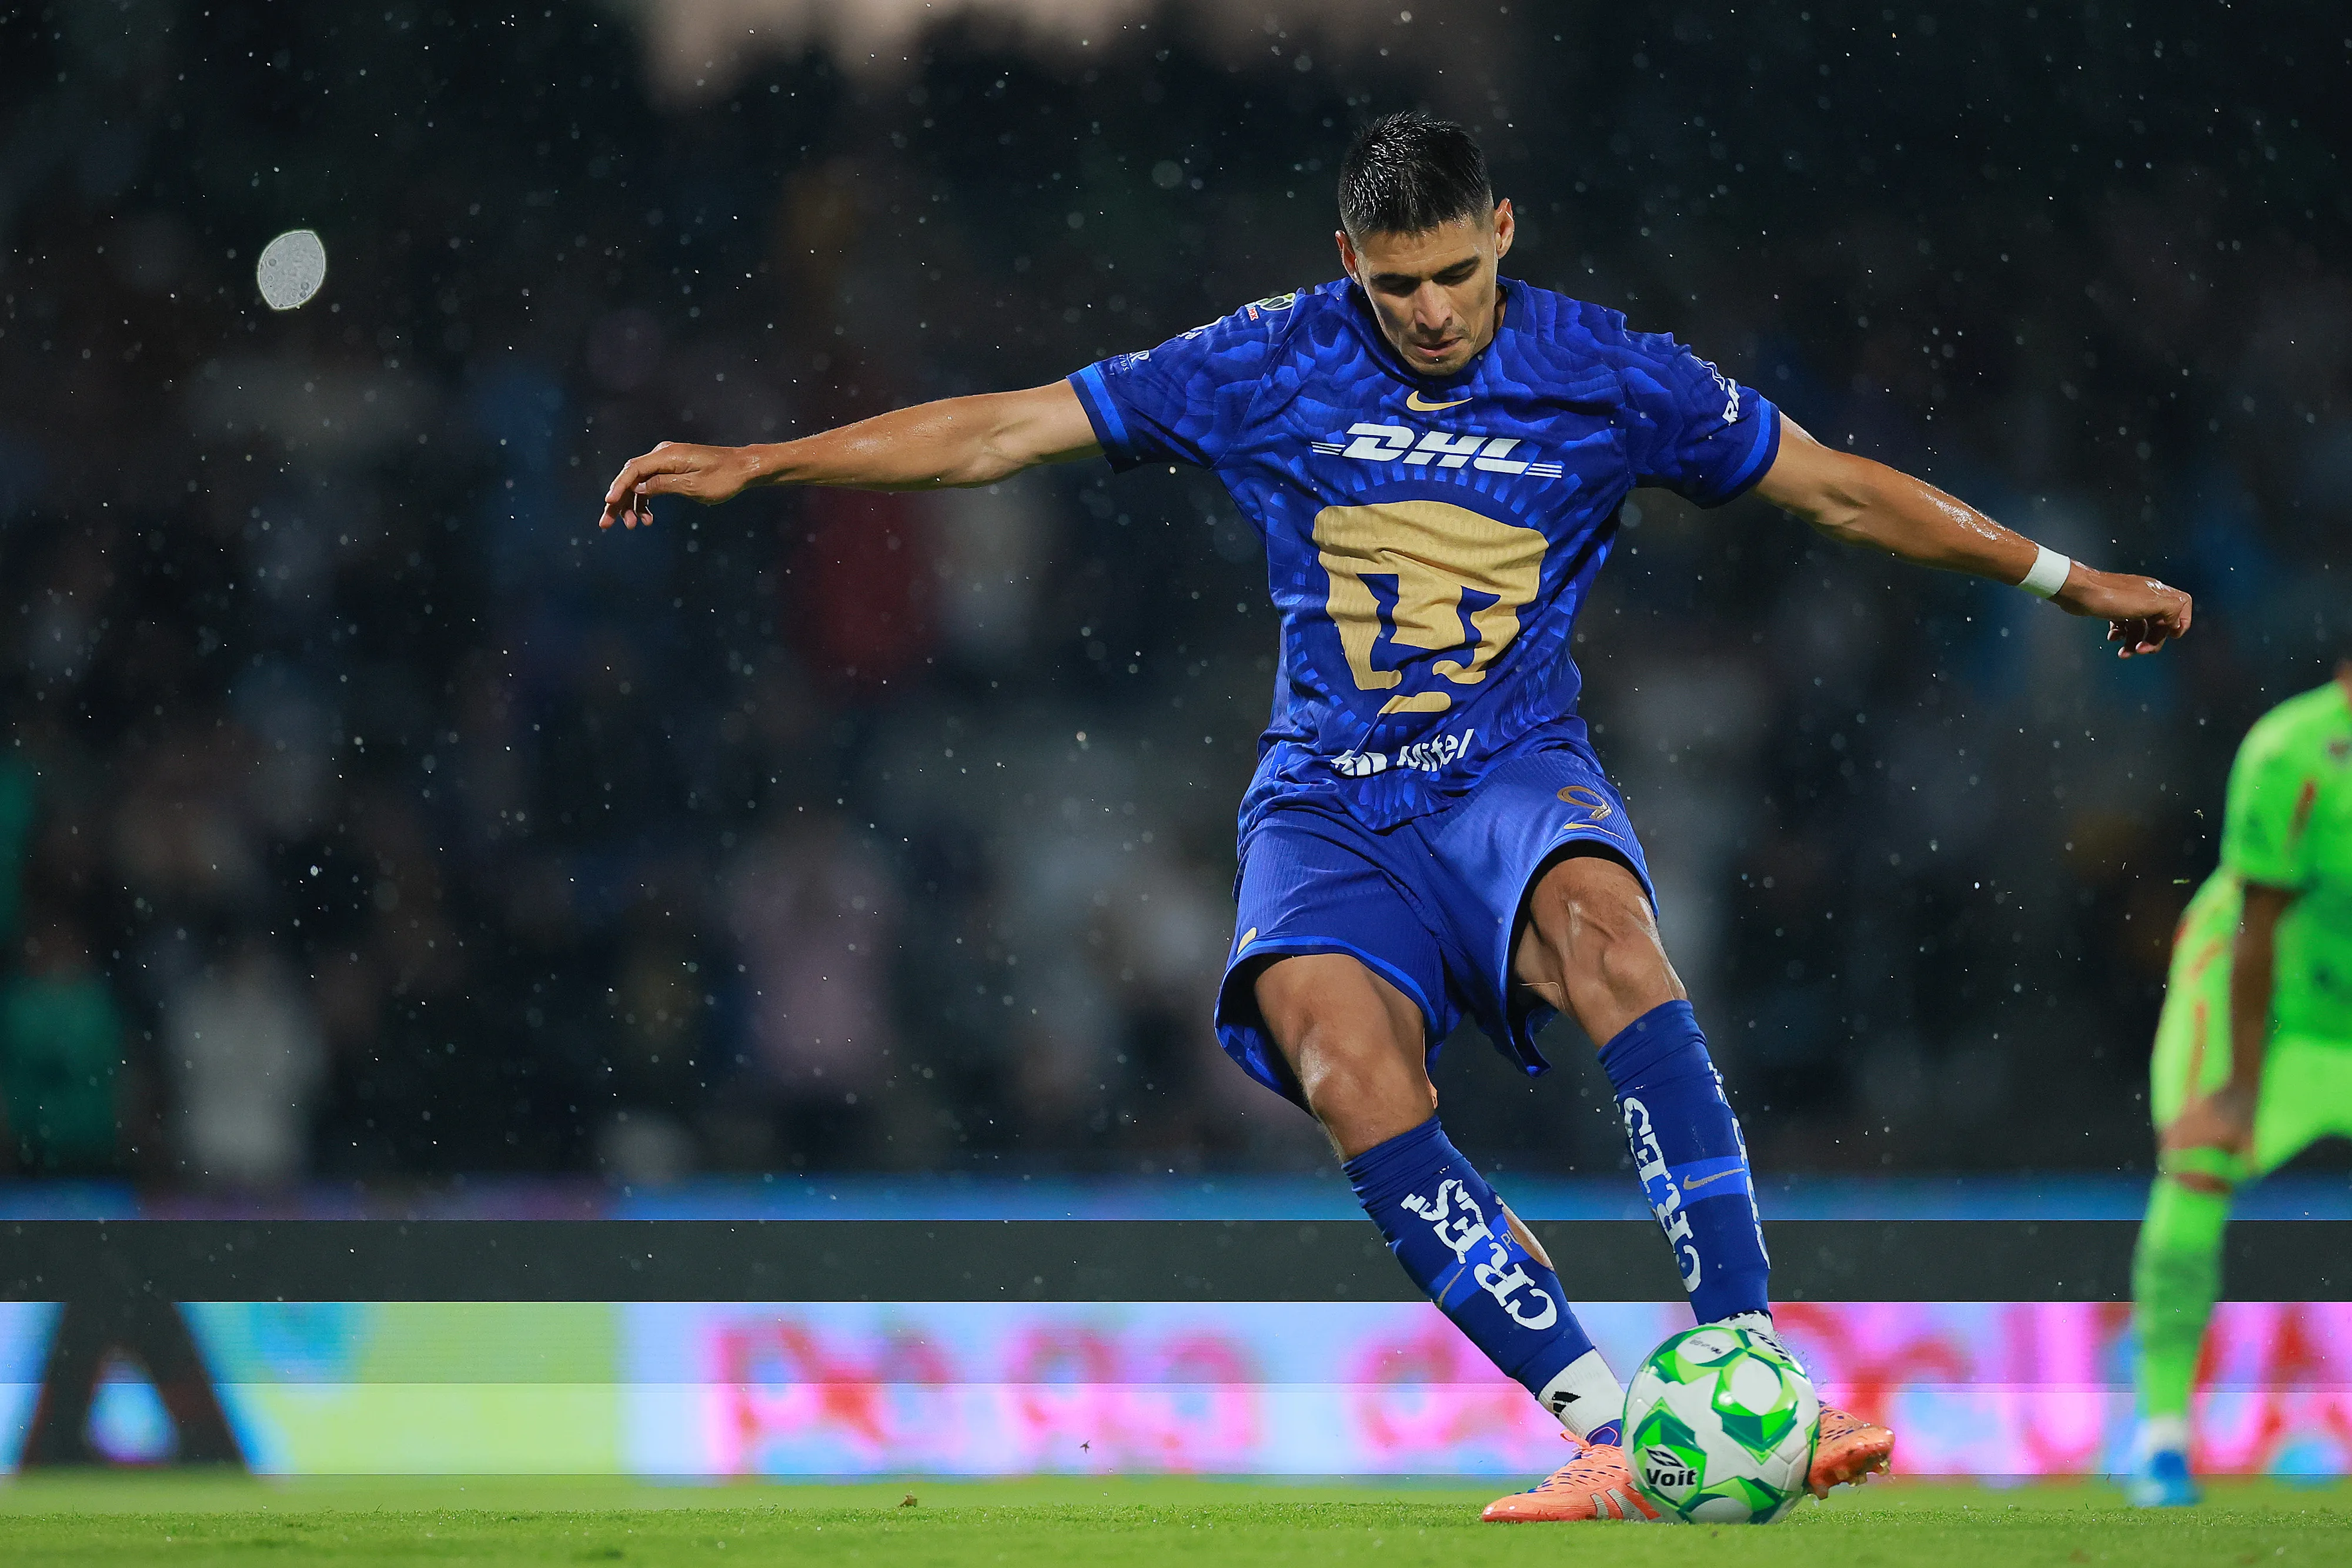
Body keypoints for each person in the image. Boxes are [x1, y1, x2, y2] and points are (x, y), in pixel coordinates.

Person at [599, 113, 2193, 1519]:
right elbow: (1003, 429)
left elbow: (1839, 485)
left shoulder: (1611, 373)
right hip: (1327, 807)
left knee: (1608, 935)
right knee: (1342, 1063)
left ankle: (1745, 1351)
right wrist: (767, 463)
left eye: (1454, 275)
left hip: (1509, 775)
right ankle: (1612, 1428)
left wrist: (2069, 579)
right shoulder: (1266, 357)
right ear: (1347, 257)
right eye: (1395, 284)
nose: (1429, 314)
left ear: (1502, 234)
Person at [2126, 661, 2350, 1507]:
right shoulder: (2293, 752)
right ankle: (2161, 1441)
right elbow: (2259, 927)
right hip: (2261, 997)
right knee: (2199, 1159)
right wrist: (2243, 1083)